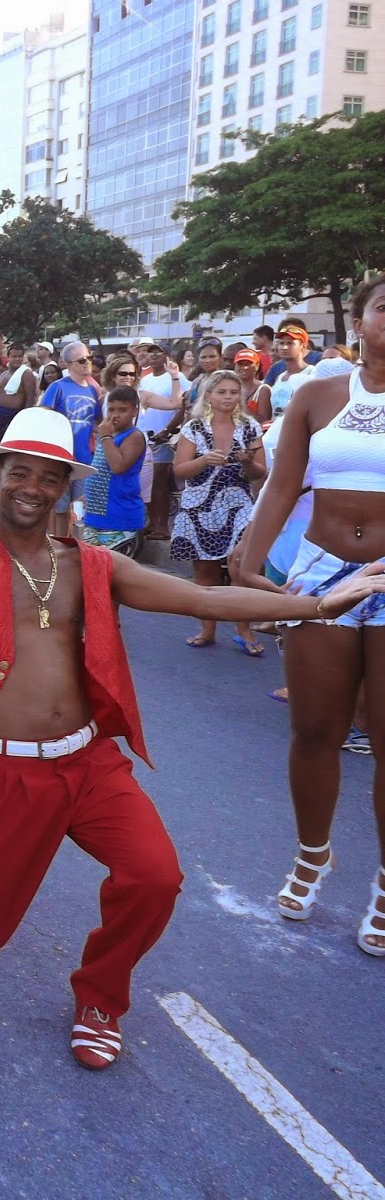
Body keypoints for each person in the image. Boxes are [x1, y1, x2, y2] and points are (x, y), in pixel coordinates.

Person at [0, 285, 385, 1069]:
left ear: (67, 486)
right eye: (21, 472)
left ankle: (100, 997)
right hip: (8, 776)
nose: (34, 489)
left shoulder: (92, 567)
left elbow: (190, 595)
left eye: (51, 477)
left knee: (154, 876)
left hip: (89, 763)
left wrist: (316, 607)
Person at [234, 276, 385, 957]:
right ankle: (313, 854)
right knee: (314, 729)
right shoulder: (322, 393)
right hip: (323, 569)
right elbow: (282, 483)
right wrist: (250, 559)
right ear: (357, 320)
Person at [172, 370, 266, 652]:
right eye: (221, 392)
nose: (228, 397)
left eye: (233, 392)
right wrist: (204, 461)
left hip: (237, 503)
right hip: (199, 505)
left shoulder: (250, 427)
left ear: (241, 396)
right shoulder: (194, 427)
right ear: (209, 396)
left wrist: (247, 462)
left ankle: (244, 631)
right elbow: (179, 470)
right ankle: (208, 629)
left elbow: (259, 473)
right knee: (204, 569)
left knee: (240, 566)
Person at [40, 342, 102, 538]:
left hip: (84, 458)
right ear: (68, 364)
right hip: (61, 458)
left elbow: (96, 422)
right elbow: (44, 416)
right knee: (60, 508)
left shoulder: (93, 389)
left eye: (89, 358)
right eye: (82, 360)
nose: (87, 363)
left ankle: (77, 548)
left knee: (79, 509)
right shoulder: (57, 387)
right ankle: (59, 546)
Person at [78, 387, 147, 558]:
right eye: (111, 409)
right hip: (95, 518)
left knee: (113, 575)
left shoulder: (134, 436)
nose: (115, 415)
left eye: (122, 410)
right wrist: (90, 494)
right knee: (90, 572)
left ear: (134, 411)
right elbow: (102, 469)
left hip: (119, 521)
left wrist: (106, 437)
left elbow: (118, 466)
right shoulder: (108, 436)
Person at [135, 341, 184, 538]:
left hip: (166, 439)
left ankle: (163, 526)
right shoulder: (145, 381)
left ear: (167, 355)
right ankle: (153, 522)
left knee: (159, 483)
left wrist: (168, 429)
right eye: (151, 352)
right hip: (148, 439)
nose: (154, 355)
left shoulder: (177, 377)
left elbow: (181, 405)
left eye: (159, 352)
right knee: (147, 484)